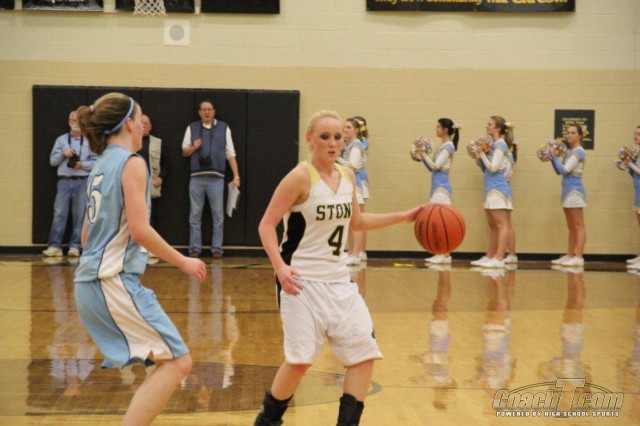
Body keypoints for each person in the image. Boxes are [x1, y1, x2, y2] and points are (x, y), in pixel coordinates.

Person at [254, 110, 422, 426]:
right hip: (301, 280)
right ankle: (267, 421)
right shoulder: (299, 177)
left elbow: (357, 222)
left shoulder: (347, 175)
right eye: (325, 137)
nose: (333, 143)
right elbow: (266, 225)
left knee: (364, 356)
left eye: (337, 137)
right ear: (310, 139)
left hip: (339, 280)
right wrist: (280, 267)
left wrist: (404, 216)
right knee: (300, 361)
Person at [73, 93, 207, 426]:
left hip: (91, 282)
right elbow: (140, 230)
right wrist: (183, 261)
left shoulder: (99, 165)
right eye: (140, 117)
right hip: (111, 282)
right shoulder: (132, 162)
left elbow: (86, 237)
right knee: (178, 362)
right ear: (130, 124)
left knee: (166, 362)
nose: (143, 125)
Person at [182, 100, 240, 258]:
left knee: (218, 215)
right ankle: (195, 248)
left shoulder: (224, 128)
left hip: (217, 178)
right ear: (199, 112)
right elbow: (184, 152)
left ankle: (217, 249)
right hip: (196, 178)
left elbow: (230, 154)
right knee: (195, 215)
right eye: (203, 109)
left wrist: (236, 176)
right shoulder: (192, 127)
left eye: (209, 109)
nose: (206, 112)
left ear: (214, 111)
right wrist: (194, 147)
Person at [42, 110, 97, 257]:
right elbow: (53, 162)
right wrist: (63, 154)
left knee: (80, 214)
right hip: (64, 181)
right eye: (73, 120)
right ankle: (54, 246)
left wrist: (82, 165)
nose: (75, 123)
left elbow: (97, 162)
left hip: (82, 180)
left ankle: (75, 246)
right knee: (59, 213)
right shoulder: (61, 140)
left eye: (78, 120)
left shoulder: (90, 140)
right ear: (68, 122)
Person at [470, 116, 516, 269]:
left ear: (497, 128)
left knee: (502, 225)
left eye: (489, 124)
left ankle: (499, 257)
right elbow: (486, 169)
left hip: (498, 189)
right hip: (490, 188)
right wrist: (478, 156)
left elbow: (493, 167)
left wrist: (482, 153)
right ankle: (490, 256)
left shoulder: (501, 145)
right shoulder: (494, 145)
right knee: (493, 226)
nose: (486, 126)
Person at [420, 118, 460, 265]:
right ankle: (443, 253)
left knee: (441, 221)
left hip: (441, 189)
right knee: (438, 221)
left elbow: (436, 166)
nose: (435, 129)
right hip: (437, 187)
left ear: (445, 130)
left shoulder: (448, 146)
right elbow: (431, 168)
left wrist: (423, 153)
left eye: (438, 127)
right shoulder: (443, 146)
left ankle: (444, 254)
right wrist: (422, 155)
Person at [549, 125, 587, 267]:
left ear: (580, 135)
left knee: (578, 225)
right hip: (567, 191)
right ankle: (570, 254)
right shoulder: (569, 152)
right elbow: (558, 171)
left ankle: (579, 256)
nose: (569, 135)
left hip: (575, 191)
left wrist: (554, 156)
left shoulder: (579, 151)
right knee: (571, 226)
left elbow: (565, 170)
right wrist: (552, 158)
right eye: (568, 132)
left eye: (573, 133)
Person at [339, 117, 369, 266]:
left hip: (356, 186)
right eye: (344, 127)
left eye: (348, 127)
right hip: (349, 186)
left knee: (356, 222)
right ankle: (352, 252)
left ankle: (356, 254)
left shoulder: (357, 145)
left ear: (356, 130)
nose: (345, 129)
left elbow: (353, 166)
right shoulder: (349, 145)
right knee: (351, 222)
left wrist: (335, 159)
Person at [138, 114, 170, 231]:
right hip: (134, 184)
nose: (144, 126)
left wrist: (161, 177)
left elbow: (166, 163)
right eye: (141, 123)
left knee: (151, 217)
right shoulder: (130, 142)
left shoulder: (158, 142)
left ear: (150, 127)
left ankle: (149, 241)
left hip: (151, 185)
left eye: (146, 123)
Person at [618, 126, 640, 268]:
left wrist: (630, 164)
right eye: (635, 134)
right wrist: (625, 166)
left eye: (639, 134)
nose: (636, 136)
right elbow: (635, 175)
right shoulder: (637, 153)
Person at [353, 116, 370, 262]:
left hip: (360, 180)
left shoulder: (361, 142)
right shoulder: (352, 142)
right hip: (354, 179)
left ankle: (361, 251)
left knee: (360, 217)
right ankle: (355, 250)